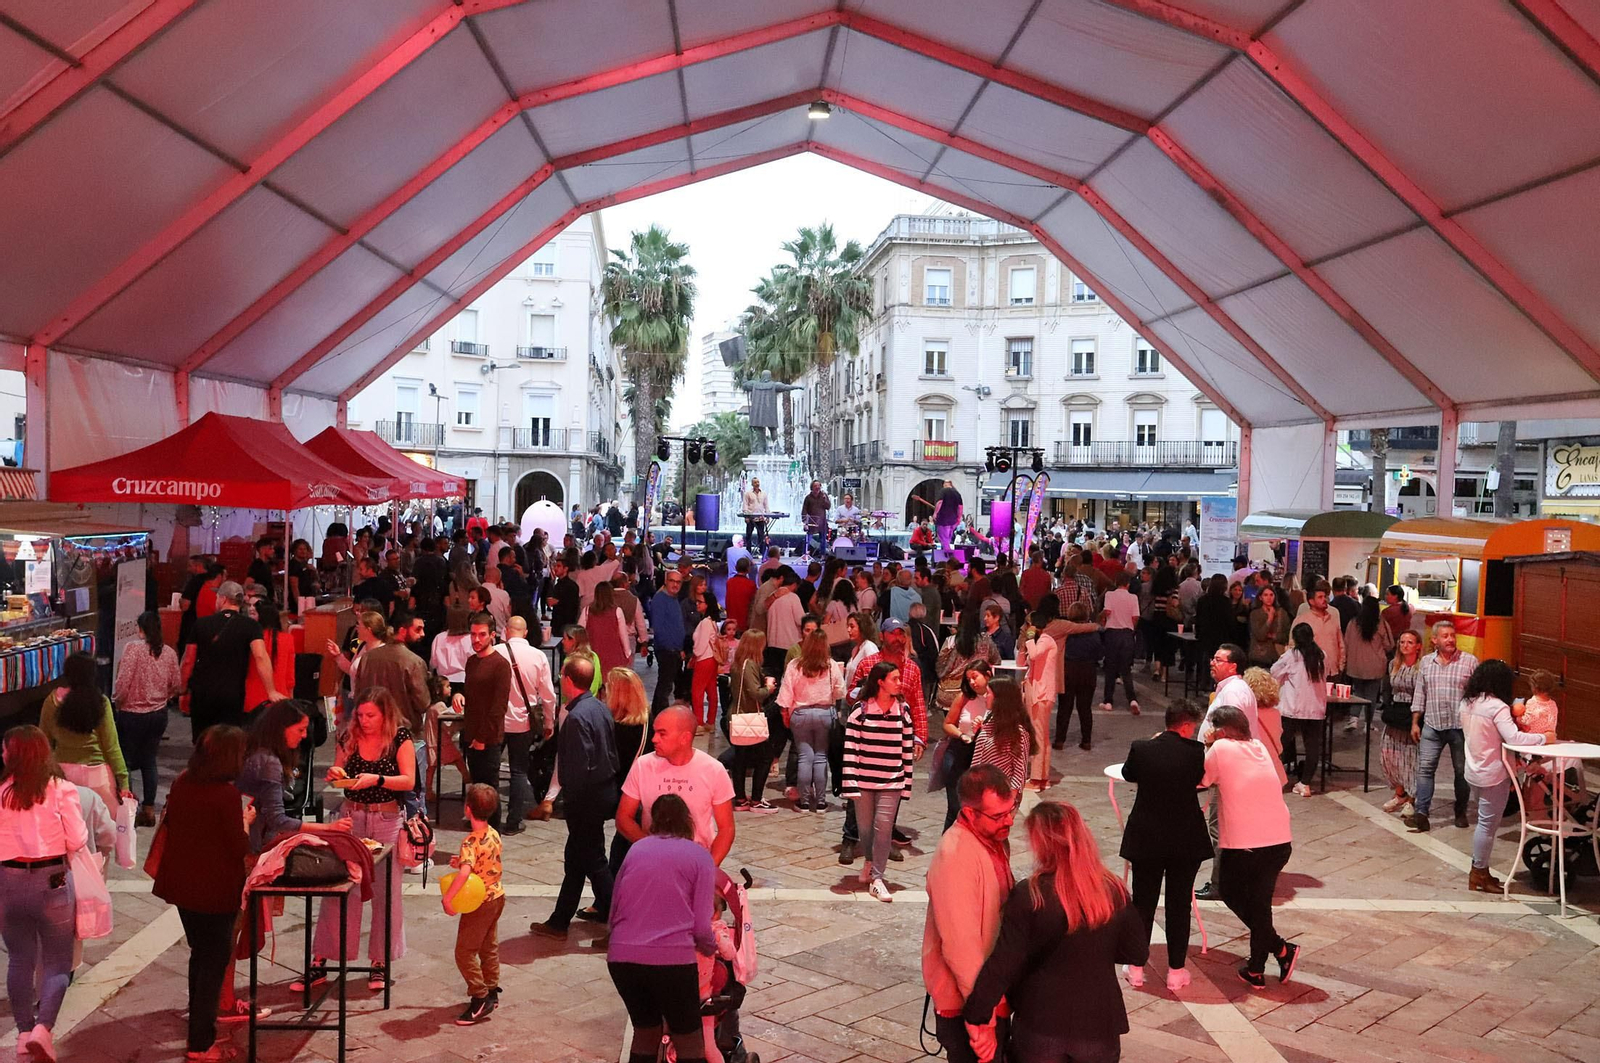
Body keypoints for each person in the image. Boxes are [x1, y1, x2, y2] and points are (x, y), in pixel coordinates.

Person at [962, 801, 1147, 1063]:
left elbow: (1004, 962)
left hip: (1040, 1021)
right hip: (1098, 1024)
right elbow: (1137, 952)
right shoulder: (1112, 890)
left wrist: (976, 1014)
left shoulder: (1032, 894)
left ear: (1042, 843)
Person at [302, 688, 415, 991]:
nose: (364, 721)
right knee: (340, 887)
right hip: (352, 816)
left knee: (385, 892)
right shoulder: (349, 736)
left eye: (370, 716)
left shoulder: (400, 738)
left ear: (385, 714)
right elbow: (340, 768)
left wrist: (376, 779)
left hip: (387, 819)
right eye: (360, 715)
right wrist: (337, 774)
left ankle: (380, 960)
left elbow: (409, 780)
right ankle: (322, 958)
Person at [152, 724, 253, 1063]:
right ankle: (201, 1043)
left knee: (200, 958)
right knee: (212, 964)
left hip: (182, 887)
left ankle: (200, 1034)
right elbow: (238, 845)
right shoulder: (226, 795)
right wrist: (247, 821)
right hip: (214, 891)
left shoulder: (182, 782)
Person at [607, 793, 719, 1063]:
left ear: (653, 821)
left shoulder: (637, 849)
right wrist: (713, 949)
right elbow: (702, 926)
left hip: (623, 958)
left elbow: (613, 912)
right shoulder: (699, 856)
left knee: (645, 1032)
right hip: (672, 961)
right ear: (687, 820)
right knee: (689, 1039)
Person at [0, 726, 88, 1063]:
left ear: (14, 755)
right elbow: (78, 839)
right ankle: (43, 1029)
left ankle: (23, 1032)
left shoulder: (2, 792)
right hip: (52, 881)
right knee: (57, 961)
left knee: (19, 959)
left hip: (8, 881)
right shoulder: (62, 789)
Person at [1201, 705, 1299, 989]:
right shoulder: (1258, 746)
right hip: (1279, 841)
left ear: (1221, 731)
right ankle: (1257, 968)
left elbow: (1201, 779)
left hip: (1247, 845)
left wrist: (1209, 745)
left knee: (1231, 892)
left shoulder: (1220, 750)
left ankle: (1280, 948)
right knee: (1259, 904)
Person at [923, 765, 1016, 1063]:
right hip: (969, 1004)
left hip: (987, 996)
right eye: (998, 816)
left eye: (1011, 810)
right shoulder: (956, 855)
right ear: (969, 812)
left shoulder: (993, 840)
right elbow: (960, 946)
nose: (1009, 821)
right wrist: (982, 1020)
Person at [1119, 699, 1210, 993]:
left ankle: (1136, 968)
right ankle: (1176, 970)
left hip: (1147, 836)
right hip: (1184, 838)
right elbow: (1199, 781)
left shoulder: (1141, 748)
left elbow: (1128, 774)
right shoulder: (1196, 753)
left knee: (1143, 902)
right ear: (1186, 725)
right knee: (1179, 903)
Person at [533, 656, 618, 937]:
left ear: (568, 680)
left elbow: (579, 767)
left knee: (592, 860)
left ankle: (621, 918)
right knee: (578, 858)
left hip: (586, 800)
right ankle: (560, 920)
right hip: (602, 792)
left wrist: (566, 801)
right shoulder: (600, 708)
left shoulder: (576, 717)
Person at [1461, 660, 1552, 892]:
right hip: (1494, 773)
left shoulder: (1467, 703)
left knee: (1484, 823)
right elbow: (1515, 739)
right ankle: (1478, 872)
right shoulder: (1496, 707)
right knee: (1487, 826)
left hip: (1474, 769)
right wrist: (1544, 739)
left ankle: (1481, 870)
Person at [616, 706, 736, 862]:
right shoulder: (642, 765)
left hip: (697, 860)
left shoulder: (713, 770)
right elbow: (623, 817)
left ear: (684, 738)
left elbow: (726, 828)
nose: (654, 739)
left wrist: (709, 869)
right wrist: (650, 849)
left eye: (662, 733)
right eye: (655, 732)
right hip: (653, 862)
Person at [841, 662, 916, 902]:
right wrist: (849, 782)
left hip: (891, 782)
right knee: (865, 829)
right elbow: (851, 748)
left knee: (883, 828)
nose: (899, 682)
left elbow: (907, 749)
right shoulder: (860, 711)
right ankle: (870, 863)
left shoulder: (902, 711)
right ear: (880, 682)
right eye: (894, 678)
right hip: (864, 781)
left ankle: (878, 878)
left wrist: (906, 784)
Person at [1405, 620, 1479, 833]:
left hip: (1459, 727)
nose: (1450, 639)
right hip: (1432, 725)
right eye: (1445, 636)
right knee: (1425, 769)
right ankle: (1422, 814)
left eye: (1452, 635)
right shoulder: (1427, 663)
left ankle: (1461, 810)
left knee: (1460, 771)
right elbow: (1420, 693)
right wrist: (1415, 722)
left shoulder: (1469, 662)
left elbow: (1477, 694)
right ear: (1435, 640)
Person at [112, 609, 182, 825]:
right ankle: (149, 810)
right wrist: (163, 698)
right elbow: (177, 685)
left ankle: (129, 809)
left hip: (132, 714)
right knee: (149, 760)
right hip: (158, 714)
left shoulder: (132, 649)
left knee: (126, 762)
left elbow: (123, 683)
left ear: (140, 629)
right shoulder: (169, 652)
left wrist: (117, 701)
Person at [40, 652, 130, 816]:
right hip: (97, 777)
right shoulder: (100, 702)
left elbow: (43, 741)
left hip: (62, 775)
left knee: (68, 831)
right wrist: (123, 782)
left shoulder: (51, 701)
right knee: (106, 834)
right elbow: (111, 747)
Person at [445, 783, 505, 1025]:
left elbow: (466, 873)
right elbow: (487, 860)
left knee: (464, 951)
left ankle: (479, 997)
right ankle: (491, 988)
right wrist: (461, 862)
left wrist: (448, 897)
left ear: (467, 809)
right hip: (497, 897)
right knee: (488, 946)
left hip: (480, 903)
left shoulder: (470, 842)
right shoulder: (493, 833)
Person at [187, 581, 280, 739]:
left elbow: (188, 659)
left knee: (203, 740)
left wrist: (182, 687)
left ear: (223, 599)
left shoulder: (201, 624)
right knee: (229, 740)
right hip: (232, 694)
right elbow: (260, 656)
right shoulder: (251, 626)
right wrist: (271, 690)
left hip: (202, 693)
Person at [496, 616, 555, 832]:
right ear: (526, 632)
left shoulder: (496, 653)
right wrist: (549, 721)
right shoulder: (538, 656)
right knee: (518, 771)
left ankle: (491, 819)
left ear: (506, 632)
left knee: (492, 771)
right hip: (522, 721)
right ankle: (513, 821)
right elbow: (548, 695)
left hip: (497, 721)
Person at [778, 630, 845, 813]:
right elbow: (840, 692)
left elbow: (785, 695)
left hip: (801, 714)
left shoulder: (795, 665)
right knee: (821, 757)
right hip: (824, 713)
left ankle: (805, 801)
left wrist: (785, 714)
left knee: (805, 757)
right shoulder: (831, 665)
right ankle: (821, 802)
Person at [605, 668, 652, 874]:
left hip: (626, 794)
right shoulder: (648, 722)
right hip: (645, 793)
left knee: (621, 850)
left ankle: (610, 899)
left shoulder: (616, 728)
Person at [1272, 623, 1328, 797]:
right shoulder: (1321, 655)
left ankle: (1276, 780)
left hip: (1293, 708)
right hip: (1315, 708)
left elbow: (1274, 672)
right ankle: (1305, 783)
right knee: (1312, 747)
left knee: (1279, 744)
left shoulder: (1291, 655)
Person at [727, 631, 779, 809]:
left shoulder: (738, 663)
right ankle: (756, 799)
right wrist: (769, 688)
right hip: (748, 715)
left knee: (741, 758)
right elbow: (755, 693)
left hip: (737, 714)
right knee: (765, 757)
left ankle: (741, 799)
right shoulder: (749, 664)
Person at [1378, 630, 1423, 815]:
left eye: (1410, 642)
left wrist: (1417, 720)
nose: (1405, 645)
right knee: (1389, 755)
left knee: (1410, 758)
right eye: (1402, 641)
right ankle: (1399, 793)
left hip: (1412, 712)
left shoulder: (1421, 668)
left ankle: (1412, 798)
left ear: (1418, 646)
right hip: (1395, 711)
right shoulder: (1393, 665)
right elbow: (1388, 689)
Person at [971, 679, 1036, 797]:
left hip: (999, 795)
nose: (985, 696)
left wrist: (1010, 803)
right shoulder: (990, 722)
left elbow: (1019, 772)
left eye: (988, 693)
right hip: (978, 791)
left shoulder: (1018, 733)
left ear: (999, 699)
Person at [1017, 612, 1059, 790]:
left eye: (1029, 625)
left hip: (1041, 694)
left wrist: (1029, 638)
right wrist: (1022, 646)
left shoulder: (1046, 640)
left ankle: (1037, 779)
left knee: (1039, 736)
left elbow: (1034, 656)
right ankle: (1041, 777)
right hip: (1035, 691)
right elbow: (1022, 662)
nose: (1026, 629)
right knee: (1041, 736)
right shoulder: (1036, 642)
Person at [1343, 594, 1393, 731]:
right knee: (1371, 695)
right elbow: (1389, 645)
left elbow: (1346, 643)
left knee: (1357, 692)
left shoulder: (1353, 623)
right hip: (1375, 665)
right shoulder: (1381, 623)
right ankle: (1368, 723)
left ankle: (1353, 719)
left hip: (1356, 664)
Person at [1100, 571, 1141, 715]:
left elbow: (1107, 612)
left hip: (1112, 633)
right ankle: (1132, 699)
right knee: (1126, 670)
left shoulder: (1109, 595)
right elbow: (1135, 617)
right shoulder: (1133, 597)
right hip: (1127, 634)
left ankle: (1108, 701)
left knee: (1110, 668)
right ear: (1128, 584)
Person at [647, 568, 687, 713]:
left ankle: (657, 713)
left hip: (674, 649)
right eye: (672, 581)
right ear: (665, 581)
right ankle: (660, 715)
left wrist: (680, 648)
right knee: (665, 685)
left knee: (665, 684)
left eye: (678, 582)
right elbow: (658, 627)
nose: (675, 585)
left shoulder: (673, 599)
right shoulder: (660, 600)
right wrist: (671, 647)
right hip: (667, 649)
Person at [1247, 584, 1290, 667]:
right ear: (1260, 597)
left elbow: (1287, 635)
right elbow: (1260, 635)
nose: (1269, 598)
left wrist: (1274, 636)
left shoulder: (1282, 613)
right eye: (1265, 595)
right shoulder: (1255, 614)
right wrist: (1270, 618)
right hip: (1259, 656)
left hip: (1277, 656)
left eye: (1271, 595)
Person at [932, 479, 964, 554]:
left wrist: (935, 513)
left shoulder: (943, 491)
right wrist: (959, 518)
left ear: (944, 484)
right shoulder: (957, 493)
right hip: (953, 520)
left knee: (944, 538)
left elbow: (940, 502)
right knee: (948, 538)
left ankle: (948, 555)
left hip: (943, 519)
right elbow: (960, 507)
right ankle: (947, 553)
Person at [801, 480, 830, 557]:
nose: (817, 487)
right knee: (808, 538)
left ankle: (822, 555)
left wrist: (825, 499)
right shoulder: (808, 498)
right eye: (815, 486)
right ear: (812, 488)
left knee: (823, 539)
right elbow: (804, 510)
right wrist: (805, 522)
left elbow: (828, 507)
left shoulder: (824, 496)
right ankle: (805, 554)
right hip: (811, 521)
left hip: (822, 521)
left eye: (818, 486)